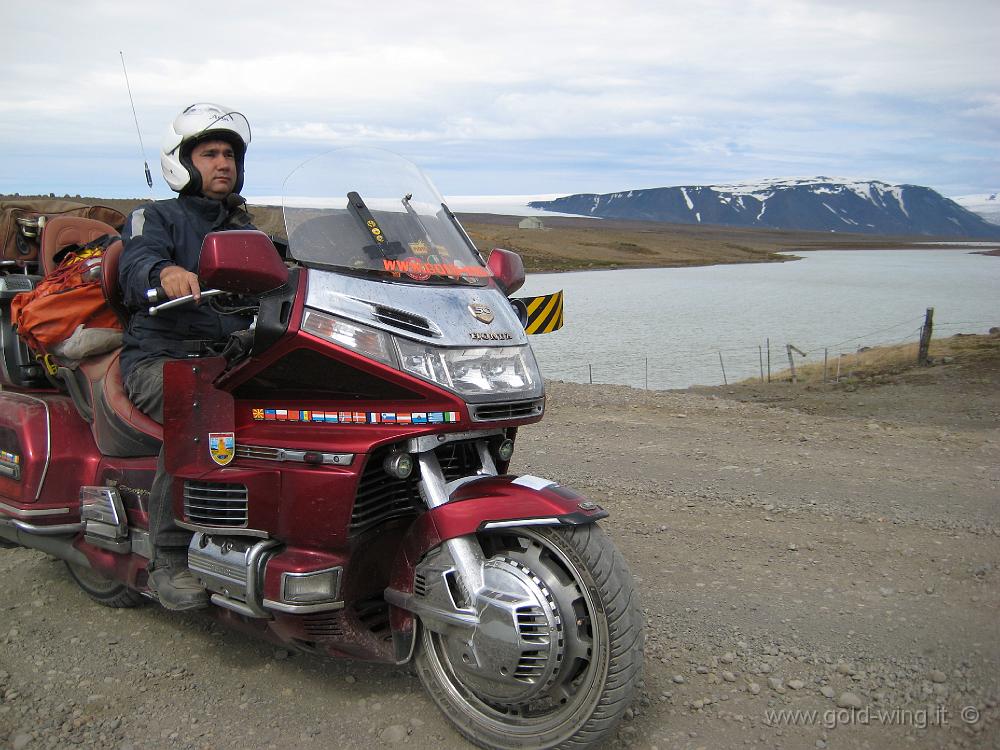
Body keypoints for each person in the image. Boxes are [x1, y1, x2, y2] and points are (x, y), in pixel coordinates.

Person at [119, 103, 255, 610]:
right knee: (197, 410)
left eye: (229, 155)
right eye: (210, 153)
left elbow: (289, 269)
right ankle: (169, 558)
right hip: (161, 359)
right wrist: (163, 274)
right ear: (182, 161)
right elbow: (136, 264)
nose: (223, 163)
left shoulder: (246, 228)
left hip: (228, 357)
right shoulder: (155, 218)